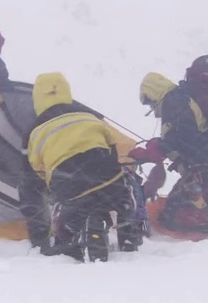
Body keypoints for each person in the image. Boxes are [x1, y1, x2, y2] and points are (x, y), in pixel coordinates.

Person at [19, 72, 142, 262]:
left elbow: (32, 181)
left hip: (70, 186)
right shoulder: (89, 117)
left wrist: (38, 236)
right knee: (119, 192)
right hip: (109, 181)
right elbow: (113, 150)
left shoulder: (34, 132)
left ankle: (80, 233)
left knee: (66, 224)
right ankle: (126, 229)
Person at [128, 58, 208, 236]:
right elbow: (191, 140)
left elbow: (185, 139)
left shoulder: (175, 101)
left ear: (154, 93)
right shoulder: (184, 99)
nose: (152, 108)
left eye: (150, 102)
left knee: (176, 216)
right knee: (172, 209)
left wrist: (156, 148)